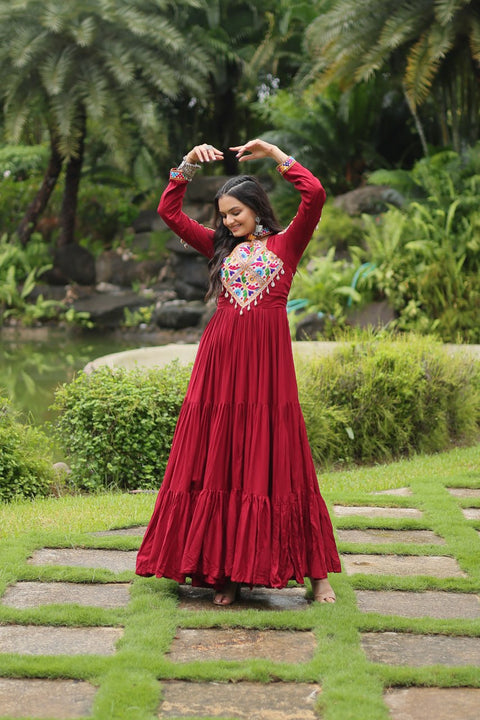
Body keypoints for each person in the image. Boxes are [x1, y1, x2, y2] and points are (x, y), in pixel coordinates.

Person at [135, 139, 341, 605]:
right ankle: (224, 571)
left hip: (267, 366)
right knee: (222, 455)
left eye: (235, 213)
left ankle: (317, 574)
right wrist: (186, 165)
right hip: (220, 363)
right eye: (223, 214)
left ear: (255, 208)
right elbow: (170, 213)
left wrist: (273, 153)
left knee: (279, 456)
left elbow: (316, 194)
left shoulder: (288, 242)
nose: (227, 221)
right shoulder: (217, 245)